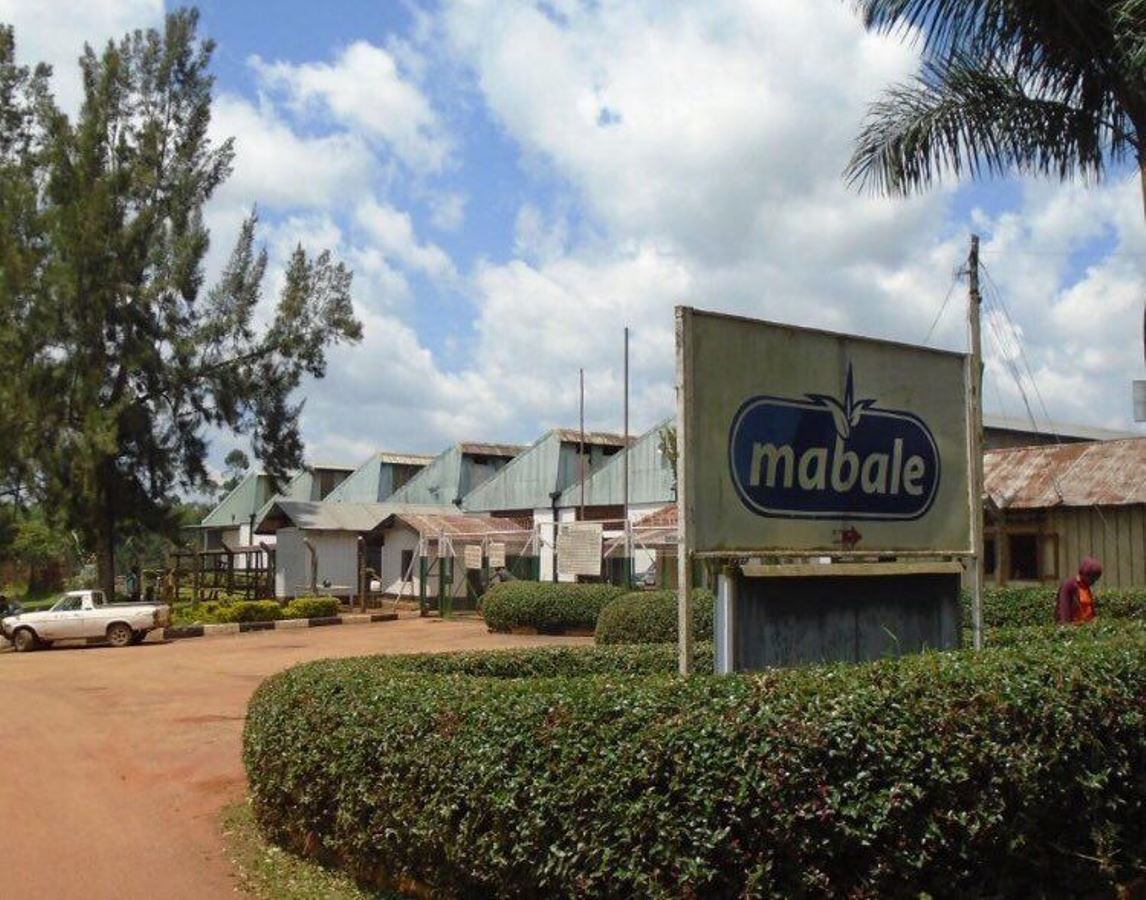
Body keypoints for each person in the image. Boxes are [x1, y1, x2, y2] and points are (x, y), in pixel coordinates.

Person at [1056, 556, 1101, 624]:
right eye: (1092, 579)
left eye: (1095, 580)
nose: (1093, 583)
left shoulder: (1086, 587)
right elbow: (1063, 608)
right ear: (1084, 574)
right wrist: (1066, 626)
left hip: (1087, 627)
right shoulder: (1069, 585)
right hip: (1075, 628)